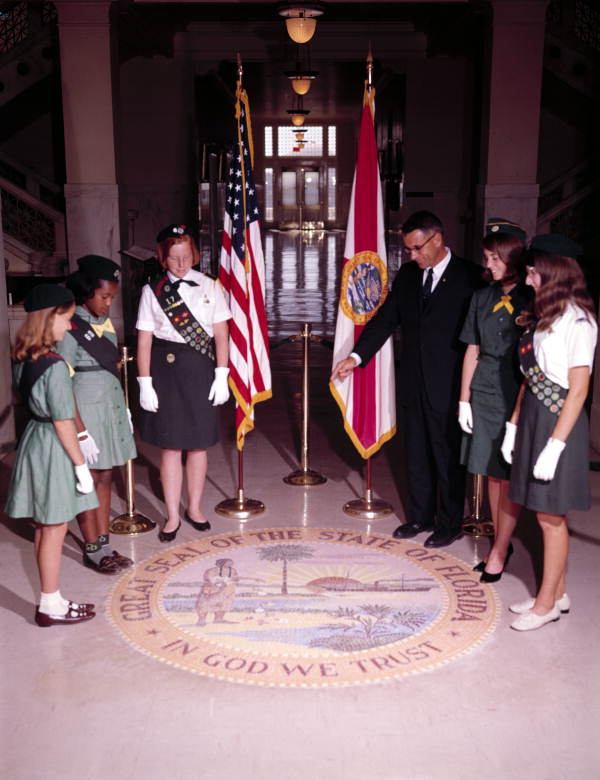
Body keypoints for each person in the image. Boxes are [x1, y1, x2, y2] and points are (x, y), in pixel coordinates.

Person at [332, 210, 482, 547]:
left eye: (417, 248)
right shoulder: (409, 277)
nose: (411, 255)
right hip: (414, 382)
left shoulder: (471, 278)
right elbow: (386, 320)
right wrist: (355, 358)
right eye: (408, 250)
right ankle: (419, 516)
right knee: (416, 453)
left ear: (437, 240)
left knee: (447, 457)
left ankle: (450, 522)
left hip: (449, 385)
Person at [501, 234, 597, 631]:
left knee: (549, 517)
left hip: (560, 424)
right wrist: (513, 424)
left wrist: (555, 446)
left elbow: (578, 390)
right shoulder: (549, 316)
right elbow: (529, 378)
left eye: (532, 272)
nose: (527, 280)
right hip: (537, 418)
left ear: (552, 271)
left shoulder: (579, 321)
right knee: (544, 512)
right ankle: (556, 593)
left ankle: (546, 604)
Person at [5, 284, 97, 626]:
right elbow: (62, 421)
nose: (70, 326)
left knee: (46, 526)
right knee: (55, 528)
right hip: (54, 447)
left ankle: (51, 599)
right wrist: (81, 464)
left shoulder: (23, 355)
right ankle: (50, 605)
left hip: (33, 440)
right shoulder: (55, 366)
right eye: (67, 318)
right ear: (51, 317)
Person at [136, 224, 231, 542]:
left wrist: (222, 374)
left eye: (186, 256)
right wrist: (145, 381)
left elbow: (221, 335)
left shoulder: (211, 286)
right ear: (163, 258)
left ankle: (195, 508)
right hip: (167, 372)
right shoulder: (153, 290)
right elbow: (145, 341)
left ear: (195, 255)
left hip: (201, 371)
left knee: (198, 444)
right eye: (174, 258)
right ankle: (173, 516)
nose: (181, 264)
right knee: (171, 446)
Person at [458, 218, 531, 581]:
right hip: (484, 391)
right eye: (486, 258)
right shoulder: (481, 297)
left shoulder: (532, 297)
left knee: (509, 476)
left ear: (512, 257)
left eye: (494, 258)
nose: (488, 265)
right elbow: (472, 348)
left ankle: (500, 549)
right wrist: (463, 399)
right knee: (488, 471)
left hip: (516, 391)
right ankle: (497, 542)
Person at [57, 255, 137, 574]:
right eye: (103, 297)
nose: (108, 304)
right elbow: (61, 383)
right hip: (85, 412)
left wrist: (125, 408)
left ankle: (104, 542)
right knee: (87, 481)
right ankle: (92, 548)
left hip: (109, 408)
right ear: (86, 291)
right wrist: (79, 431)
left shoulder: (101, 321)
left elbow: (109, 368)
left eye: (112, 298)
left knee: (105, 476)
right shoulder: (68, 325)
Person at [195, 558, 239, 626]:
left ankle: (219, 619)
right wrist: (218, 582)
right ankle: (201, 620)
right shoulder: (212, 570)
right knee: (205, 604)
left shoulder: (233, 570)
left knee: (224, 604)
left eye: (231, 562)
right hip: (212, 590)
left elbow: (236, 578)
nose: (230, 564)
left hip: (227, 591)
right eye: (228, 562)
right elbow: (209, 578)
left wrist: (230, 581)